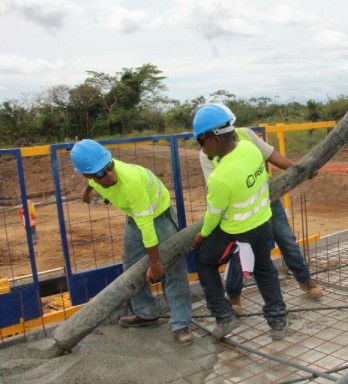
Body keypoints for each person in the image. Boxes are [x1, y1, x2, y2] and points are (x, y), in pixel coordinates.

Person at [198, 104, 322, 314]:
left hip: (265, 199)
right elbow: (216, 189)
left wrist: (298, 170)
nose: (201, 145)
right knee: (242, 252)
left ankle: (304, 280)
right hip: (239, 212)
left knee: (285, 239)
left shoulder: (245, 136)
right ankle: (235, 296)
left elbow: (270, 155)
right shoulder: (207, 154)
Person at [70, 139, 193, 346]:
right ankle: (146, 314)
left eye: (110, 167)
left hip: (159, 218)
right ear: (88, 175)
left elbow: (148, 227)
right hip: (134, 219)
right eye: (101, 174)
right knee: (131, 265)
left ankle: (181, 323)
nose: (110, 174)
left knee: (172, 268)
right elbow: (93, 178)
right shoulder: (95, 173)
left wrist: (155, 264)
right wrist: (87, 191)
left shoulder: (130, 181)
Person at [191, 104, 288, 341]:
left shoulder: (220, 178)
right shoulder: (249, 148)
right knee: (265, 268)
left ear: (213, 139)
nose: (201, 150)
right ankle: (278, 322)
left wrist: (202, 235)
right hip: (263, 222)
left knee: (204, 262)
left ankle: (224, 317)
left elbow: (214, 215)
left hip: (236, 230)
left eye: (200, 143)